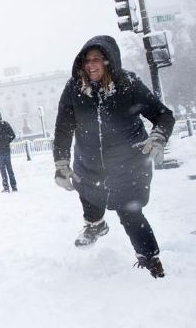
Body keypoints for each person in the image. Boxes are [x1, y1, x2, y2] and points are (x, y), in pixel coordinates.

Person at [53, 35, 174, 278]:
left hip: (127, 164)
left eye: (96, 59)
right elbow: (64, 127)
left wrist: (158, 137)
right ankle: (95, 226)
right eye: (86, 60)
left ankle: (150, 259)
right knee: (88, 196)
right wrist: (61, 163)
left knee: (129, 212)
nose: (91, 65)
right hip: (88, 163)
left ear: (109, 61)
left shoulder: (128, 83)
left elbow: (163, 115)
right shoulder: (75, 87)